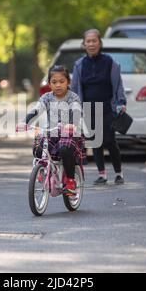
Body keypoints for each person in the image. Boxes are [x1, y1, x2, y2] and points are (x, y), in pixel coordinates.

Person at [17, 65, 85, 196]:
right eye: (54, 82)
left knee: (65, 148)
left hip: (71, 133)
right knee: (39, 146)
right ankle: (42, 170)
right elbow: (36, 110)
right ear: (49, 84)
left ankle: (70, 180)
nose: (58, 85)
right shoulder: (47, 98)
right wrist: (25, 122)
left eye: (62, 81)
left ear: (68, 82)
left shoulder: (73, 97)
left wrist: (72, 124)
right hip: (53, 131)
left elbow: (76, 111)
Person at [71, 29, 127, 185]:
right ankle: (102, 174)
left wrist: (121, 102)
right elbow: (75, 88)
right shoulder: (79, 65)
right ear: (84, 44)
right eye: (88, 41)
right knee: (95, 142)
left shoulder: (110, 62)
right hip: (88, 109)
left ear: (99, 43)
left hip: (107, 107)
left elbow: (118, 85)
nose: (91, 44)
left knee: (110, 141)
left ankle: (118, 173)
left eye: (94, 41)